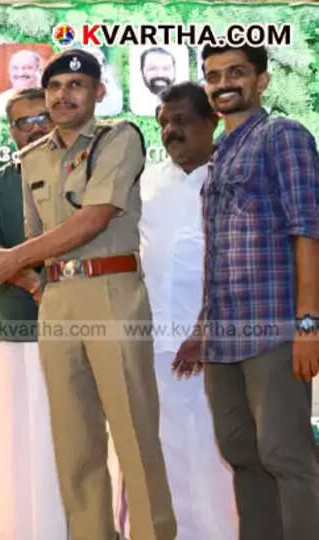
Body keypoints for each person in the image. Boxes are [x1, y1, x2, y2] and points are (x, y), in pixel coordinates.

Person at [0, 49, 176, 540]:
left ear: (98, 93)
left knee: (134, 436)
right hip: (57, 300)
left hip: (112, 292)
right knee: (74, 442)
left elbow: (95, 217)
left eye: (76, 86)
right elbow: (38, 237)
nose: (64, 95)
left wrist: (14, 258)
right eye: (55, 87)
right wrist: (34, 279)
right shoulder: (32, 157)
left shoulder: (119, 138)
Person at [175, 45, 319, 540]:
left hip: (275, 329)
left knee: (287, 455)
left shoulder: (284, 137)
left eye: (236, 72)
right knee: (242, 454)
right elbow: (221, 256)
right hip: (223, 340)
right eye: (213, 76)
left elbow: (309, 231)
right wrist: (201, 329)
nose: (223, 83)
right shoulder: (219, 154)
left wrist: (308, 325)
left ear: (262, 80)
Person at [140, 81, 238, 539]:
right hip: (154, 343)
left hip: (215, 347)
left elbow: (235, 262)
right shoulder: (148, 181)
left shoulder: (231, 176)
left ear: (211, 122)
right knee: (164, 452)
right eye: (163, 122)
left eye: (181, 120)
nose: (170, 131)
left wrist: (205, 327)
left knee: (215, 454)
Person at [0, 87, 67, 540]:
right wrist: (32, 283)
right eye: (22, 121)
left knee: (68, 437)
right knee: (17, 440)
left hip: (78, 326)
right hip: (16, 327)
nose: (33, 127)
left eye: (41, 117)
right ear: (10, 131)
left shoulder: (83, 171)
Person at [0, 49, 43, 117]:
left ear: (39, 71)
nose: (20, 73)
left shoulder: (49, 100)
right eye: (15, 68)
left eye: (27, 68)